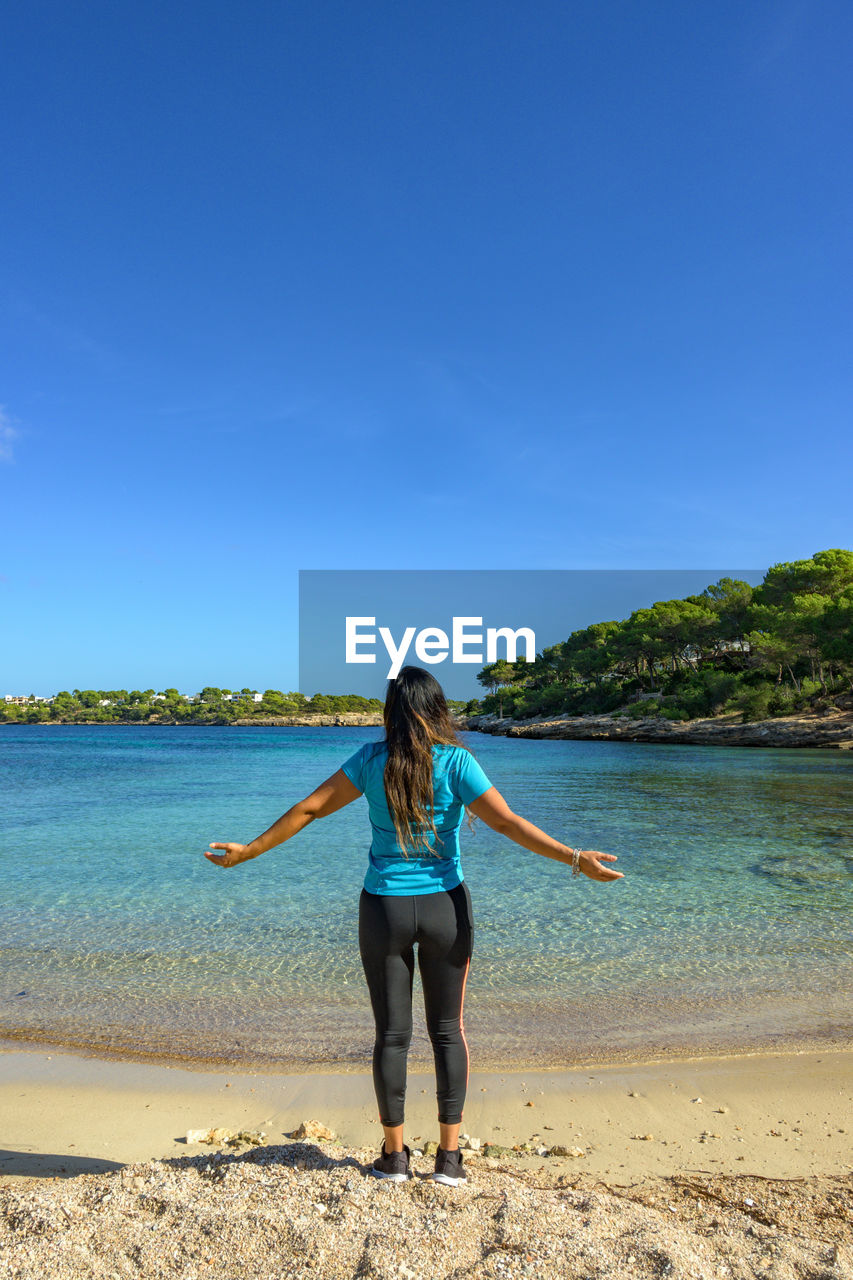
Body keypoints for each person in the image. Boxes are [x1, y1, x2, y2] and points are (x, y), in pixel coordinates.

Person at [204, 665, 624, 1186]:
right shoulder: (457, 762)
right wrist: (574, 857)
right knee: (448, 1031)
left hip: (384, 908)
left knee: (392, 1034)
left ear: (392, 712)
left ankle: (395, 1157)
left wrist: (248, 852)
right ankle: (449, 1161)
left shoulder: (370, 761)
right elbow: (507, 822)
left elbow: (309, 809)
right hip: (446, 906)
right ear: (437, 709)